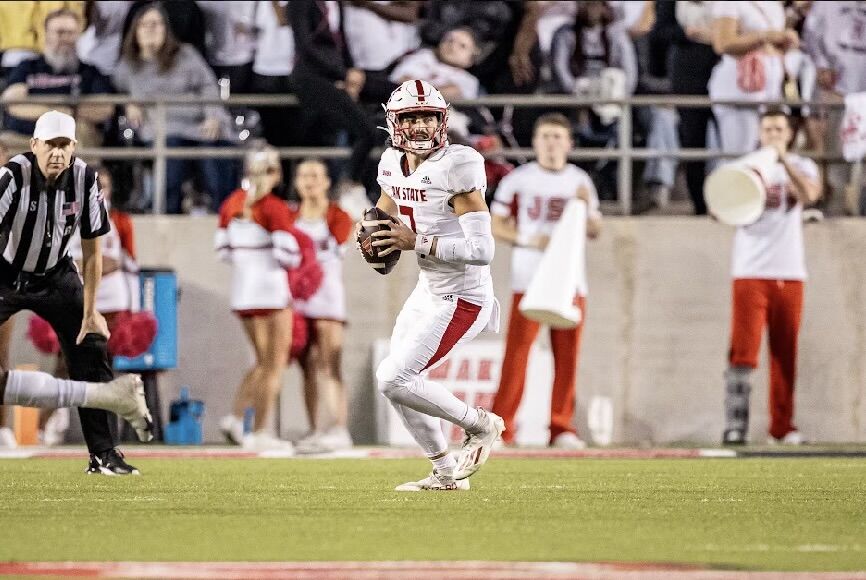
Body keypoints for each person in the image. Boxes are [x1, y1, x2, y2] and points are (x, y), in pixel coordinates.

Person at [364, 79, 504, 491]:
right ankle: (444, 474)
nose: (422, 127)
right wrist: (373, 232)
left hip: (464, 295)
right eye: (412, 118)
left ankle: (479, 425)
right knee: (395, 383)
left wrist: (415, 241)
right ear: (394, 123)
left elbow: (483, 249)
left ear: (442, 120)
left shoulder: (458, 164)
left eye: (428, 117)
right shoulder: (390, 163)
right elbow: (383, 213)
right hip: (429, 289)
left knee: (393, 378)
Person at [0, 110, 152, 472]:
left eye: (63, 145)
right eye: (49, 144)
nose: (56, 153)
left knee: (91, 347)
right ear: (34, 145)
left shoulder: (85, 179)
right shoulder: (11, 176)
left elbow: (92, 249)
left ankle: (104, 453)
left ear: (74, 147)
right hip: (5, 272)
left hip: (55, 274)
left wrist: (89, 309)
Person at [490, 113, 602, 449]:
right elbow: (495, 223)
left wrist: (583, 209)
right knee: (517, 355)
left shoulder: (579, 180)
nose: (551, 143)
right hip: (530, 279)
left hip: (570, 281)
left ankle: (561, 427)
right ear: (535, 142)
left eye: (557, 136)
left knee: (567, 357)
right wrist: (527, 238)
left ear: (569, 143)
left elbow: (596, 229)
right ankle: (502, 427)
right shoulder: (519, 179)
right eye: (545, 136)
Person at [721, 107, 821, 446]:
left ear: (789, 134)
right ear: (760, 133)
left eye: (779, 129)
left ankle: (782, 425)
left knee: (784, 352)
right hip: (750, 269)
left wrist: (784, 164)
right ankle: (736, 424)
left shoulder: (803, 166)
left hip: (789, 270)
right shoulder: (743, 167)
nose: (774, 135)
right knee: (743, 352)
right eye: (768, 130)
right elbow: (718, 206)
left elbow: (809, 195)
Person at [38, 167, 141, 445]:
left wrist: (134, 306)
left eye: (104, 185)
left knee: (105, 366)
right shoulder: (62, 217)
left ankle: (105, 433)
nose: (100, 191)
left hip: (112, 300)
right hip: (75, 297)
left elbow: (129, 263)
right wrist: (90, 266)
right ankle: (45, 423)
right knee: (65, 364)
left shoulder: (120, 220)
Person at [215, 146, 306, 452]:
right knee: (273, 365)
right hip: (270, 292)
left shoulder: (232, 203)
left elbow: (223, 251)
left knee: (260, 362)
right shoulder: (272, 206)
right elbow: (288, 255)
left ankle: (235, 417)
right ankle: (261, 430)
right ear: (272, 173)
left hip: (243, 293)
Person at [112, 3, 235, 214]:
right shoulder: (128, 65)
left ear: (166, 29)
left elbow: (208, 87)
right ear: (135, 30)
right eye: (145, 24)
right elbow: (115, 91)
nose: (151, 29)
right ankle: (167, 217)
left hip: (199, 126)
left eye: (157, 24)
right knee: (171, 158)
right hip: (162, 130)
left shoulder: (186, 55)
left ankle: (224, 218)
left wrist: (214, 116)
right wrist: (128, 103)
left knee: (217, 158)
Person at [289, 159, 354, 454]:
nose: (309, 181)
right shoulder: (290, 217)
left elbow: (338, 247)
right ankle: (316, 429)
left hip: (327, 298)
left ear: (327, 182)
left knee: (330, 364)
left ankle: (339, 428)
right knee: (308, 368)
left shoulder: (338, 215)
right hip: (299, 302)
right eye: (304, 175)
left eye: (315, 175)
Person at [1, 8, 115, 150]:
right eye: (60, 32)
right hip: (26, 138)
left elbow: (105, 109)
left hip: (72, 139)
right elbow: (13, 103)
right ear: (47, 35)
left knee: (83, 130)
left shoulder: (90, 72)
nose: (65, 39)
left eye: (71, 33)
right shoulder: (28, 67)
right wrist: (59, 112)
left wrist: (68, 114)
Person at [709, 1, 797, 155]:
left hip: (771, 91)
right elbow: (722, 44)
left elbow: (772, 46)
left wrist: (784, 41)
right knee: (740, 154)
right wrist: (762, 37)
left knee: (771, 153)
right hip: (739, 93)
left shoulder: (775, 5)